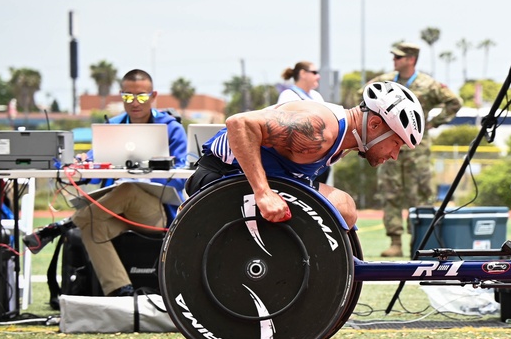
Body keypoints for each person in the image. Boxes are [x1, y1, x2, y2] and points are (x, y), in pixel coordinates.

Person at [24, 69, 188, 297]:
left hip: (155, 214)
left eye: (141, 96)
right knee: (92, 227)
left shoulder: (172, 128)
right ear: (121, 95)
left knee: (129, 187)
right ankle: (120, 291)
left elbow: (181, 177)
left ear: (153, 96)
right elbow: (94, 165)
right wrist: (82, 163)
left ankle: (61, 227)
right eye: (127, 96)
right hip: (115, 212)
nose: (134, 102)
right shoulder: (112, 126)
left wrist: (145, 175)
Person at [186, 80, 425, 229]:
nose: (394, 155)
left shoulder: (344, 140)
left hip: (263, 180)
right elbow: (239, 123)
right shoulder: (317, 128)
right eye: (396, 143)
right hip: (219, 179)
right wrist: (263, 193)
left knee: (344, 207)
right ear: (373, 125)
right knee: (342, 208)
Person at [370, 42, 462, 257]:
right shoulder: (384, 82)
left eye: (399, 57)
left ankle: (418, 240)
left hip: (416, 149)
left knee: (419, 194)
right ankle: (395, 242)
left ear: (411, 59)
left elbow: (454, 102)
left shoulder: (428, 84)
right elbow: (363, 95)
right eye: (394, 57)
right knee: (389, 192)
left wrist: (431, 123)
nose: (394, 60)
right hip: (387, 145)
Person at [275, 60, 329, 185]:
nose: (318, 76)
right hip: (300, 158)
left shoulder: (316, 96)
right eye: (314, 72)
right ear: (303, 73)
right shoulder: (288, 95)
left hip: (318, 157)